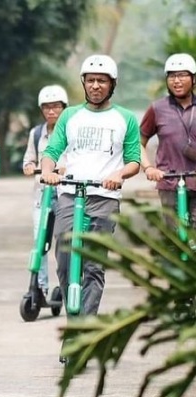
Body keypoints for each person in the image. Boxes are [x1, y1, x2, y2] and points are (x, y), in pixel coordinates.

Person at [41, 55, 140, 316]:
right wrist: (48, 171)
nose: (96, 86)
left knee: (93, 266)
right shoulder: (70, 116)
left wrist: (119, 174)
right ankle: (74, 320)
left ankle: (84, 331)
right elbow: (52, 151)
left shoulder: (125, 118)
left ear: (112, 84)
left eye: (102, 81)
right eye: (91, 80)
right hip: (70, 196)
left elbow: (133, 161)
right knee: (64, 260)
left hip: (104, 197)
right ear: (84, 83)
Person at [22, 85, 68, 297]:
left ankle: (66, 284)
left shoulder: (71, 130)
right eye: (47, 107)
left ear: (64, 108)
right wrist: (30, 167)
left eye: (56, 107)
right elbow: (28, 160)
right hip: (42, 194)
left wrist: (66, 168)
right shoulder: (37, 133)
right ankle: (39, 287)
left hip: (65, 194)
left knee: (64, 242)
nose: (51, 111)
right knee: (39, 241)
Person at [139, 53, 196, 228]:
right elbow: (138, 143)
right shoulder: (157, 108)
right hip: (169, 183)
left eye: (182, 75)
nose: (176, 81)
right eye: (172, 76)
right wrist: (149, 168)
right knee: (174, 240)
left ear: (193, 79)